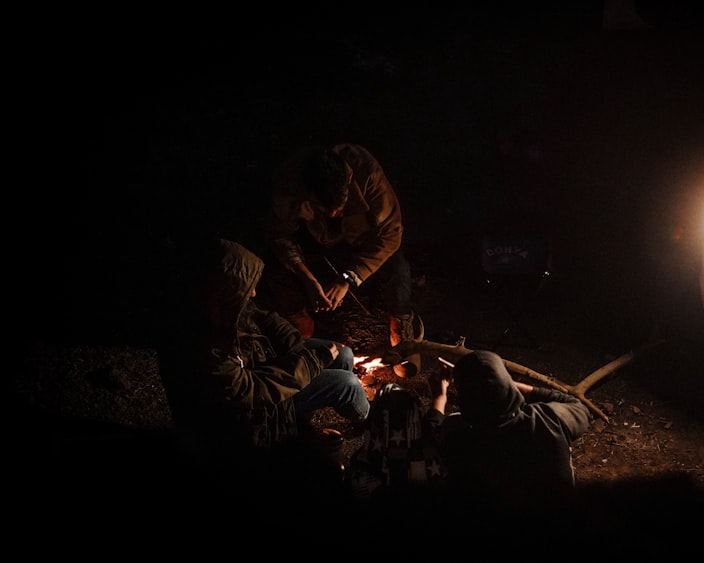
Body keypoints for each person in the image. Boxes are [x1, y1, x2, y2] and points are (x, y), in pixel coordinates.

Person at [157, 238, 371, 471]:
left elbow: (264, 317)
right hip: (248, 418)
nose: (254, 293)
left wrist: (295, 345)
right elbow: (249, 391)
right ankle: (371, 419)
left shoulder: (220, 305)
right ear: (223, 291)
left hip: (261, 363)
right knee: (347, 384)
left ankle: (301, 420)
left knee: (344, 354)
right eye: (248, 289)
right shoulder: (199, 344)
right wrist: (310, 363)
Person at [257, 143, 422, 378]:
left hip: (358, 238)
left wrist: (348, 278)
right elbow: (280, 236)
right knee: (274, 267)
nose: (334, 213)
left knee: (396, 266)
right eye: (325, 208)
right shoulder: (290, 184)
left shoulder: (367, 174)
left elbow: (391, 234)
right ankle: (300, 328)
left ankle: (401, 330)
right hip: (312, 239)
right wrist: (306, 277)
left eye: (340, 206)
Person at [424, 350, 593, 525]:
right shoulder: (550, 418)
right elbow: (577, 406)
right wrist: (505, 384)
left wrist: (439, 397)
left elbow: (431, 433)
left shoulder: (460, 438)